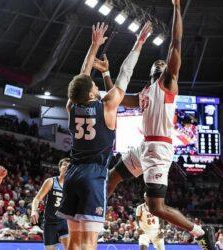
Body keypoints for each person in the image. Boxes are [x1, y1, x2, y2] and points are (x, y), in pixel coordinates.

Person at [95, 0, 214, 248]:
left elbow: (176, 43)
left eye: (164, 63)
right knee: (111, 177)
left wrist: (177, 9)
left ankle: (201, 233)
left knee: (155, 207)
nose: (161, 63)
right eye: (157, 63)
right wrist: (107, 74)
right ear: (151, 70)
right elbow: (116, 99)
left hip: (160, 149)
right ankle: (94, 216)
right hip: (144, 146)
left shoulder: (168, 83)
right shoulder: (145, 93)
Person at [56, 21, 152, 250]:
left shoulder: (72, 106)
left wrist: (93, 46)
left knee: (73, 243)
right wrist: (138, 44)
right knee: (88, 243)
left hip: (72, 176)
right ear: (91, 92)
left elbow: (81, 76)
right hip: (93, 176)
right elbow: (125, 74)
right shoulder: (107, 106)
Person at [31, 158, 70, 249]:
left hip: (65, 222)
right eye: (64, 164)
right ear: (60, 168)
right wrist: (34, 210)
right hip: (50, 223)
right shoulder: (51, 181)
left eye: (69, 166)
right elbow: (37, 199)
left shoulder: (72, 185)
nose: (67, 167)